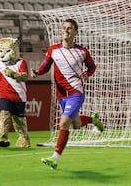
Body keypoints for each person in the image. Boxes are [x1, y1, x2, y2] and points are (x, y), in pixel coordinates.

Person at [31, 18, 103, 169]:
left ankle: (55, 159)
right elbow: (45, 66)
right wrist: (37, 72)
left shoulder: (82, 51)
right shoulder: (53, 50)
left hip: (76, 92)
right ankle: (93, 120)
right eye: (64, 27)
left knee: (63, 123)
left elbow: (92, 67)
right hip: (61, 95)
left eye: (69, 28)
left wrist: (87, 74)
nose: (65, 30)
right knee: (76, 124)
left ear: (75, 32)